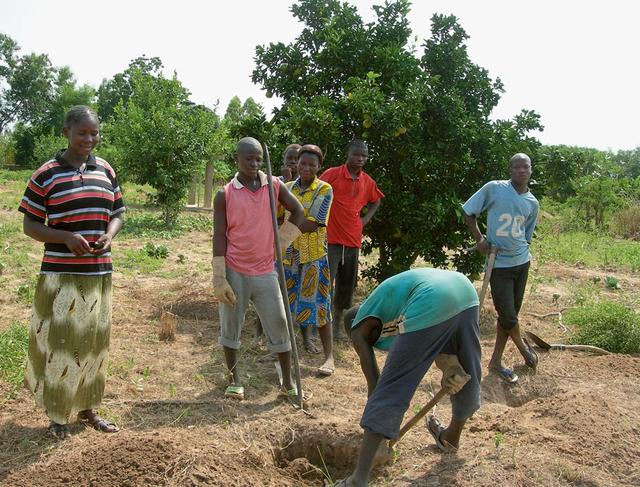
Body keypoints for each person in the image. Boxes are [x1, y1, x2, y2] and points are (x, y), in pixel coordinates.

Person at [19, 105, 125, 439]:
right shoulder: (46, 174)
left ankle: (87, 408)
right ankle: (57, 414)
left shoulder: (105, 170)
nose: (89, 139)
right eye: (82, 133)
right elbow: (30, 225)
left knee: (93, 343)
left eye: (94, 133)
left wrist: (110, 235)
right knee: (62, 344)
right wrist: (64, 237)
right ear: (66, 133)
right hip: (61, 275)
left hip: (98, 274)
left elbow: (118, 212)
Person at [337, 268, 481, 487]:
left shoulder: (358, 326)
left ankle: (358, 480)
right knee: (465, 371)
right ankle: (451, 437)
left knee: (391, 387)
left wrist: (379, 438)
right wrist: (449, 366)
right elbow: (434, 333)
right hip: (465, 292)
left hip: (432, 298)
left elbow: (378, 386)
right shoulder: (388, 306)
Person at [212, 136, 306, 401]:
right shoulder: (225, 194)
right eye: (249, 159)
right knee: (231, 325)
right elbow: (219, 235)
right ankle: (234, 379)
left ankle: (287, 382)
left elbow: (298, 211)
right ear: (237, 159)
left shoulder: (273, 185)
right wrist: (219, 276)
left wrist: (281, 243)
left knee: (279, 322)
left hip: (266, 270)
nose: (254, 164)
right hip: (235, 269)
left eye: (258, 160)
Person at [462, 153, 539, 383]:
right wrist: (480, 239)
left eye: (525, 167)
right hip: (499, 264)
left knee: (509, 316)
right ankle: (525, 350)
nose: (521, 171)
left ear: (531, 170)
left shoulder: (532, 203)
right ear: (510, 170)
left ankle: (496, 360)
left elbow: (526, 236)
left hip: (521, 262)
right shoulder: (494, 188)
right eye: (516, 167)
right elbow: (468, 212)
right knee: (508, 315)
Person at [320, 140, 384, 339]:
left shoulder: (367, 181)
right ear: (348, 154)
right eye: (357, 154)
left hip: (352, 241)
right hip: (330, 240)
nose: (360, 159)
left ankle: (337, 328)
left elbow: (376, 200)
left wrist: (365, 219)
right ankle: (318, 326)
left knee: (346, 288)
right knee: (324, 285)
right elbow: (316, 192)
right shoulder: (332, 174)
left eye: (364, 156)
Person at [280, 144, 335, 375]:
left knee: (320, 307)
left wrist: (281, 236)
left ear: (319, 166)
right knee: (284, 306)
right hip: (289, 257)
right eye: (303, 163)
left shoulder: (324, 189)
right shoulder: (287, 188)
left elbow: (313, 223)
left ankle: (329, 357)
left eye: (312, 164)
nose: (306, 168)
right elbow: (278, 216)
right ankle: (280, 350)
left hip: (313, 257)